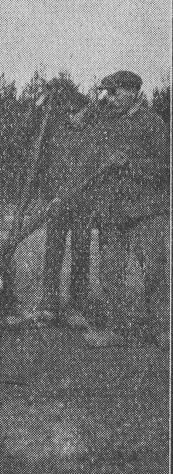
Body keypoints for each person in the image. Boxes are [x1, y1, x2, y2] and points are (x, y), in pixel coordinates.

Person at [83, 70, 170, 347]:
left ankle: (162, 329)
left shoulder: (152, 123)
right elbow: (96, 165)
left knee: (154, 269)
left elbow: (165, 169)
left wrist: (129, 163)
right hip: (113, 210)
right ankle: (116, 329)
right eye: (107, 92)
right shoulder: (107, 123)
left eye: (116, 92)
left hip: (146, 210)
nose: (110, 98)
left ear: (133, 92)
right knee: (109, 271)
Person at [34, 82, 96, 329]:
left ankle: (76, 307)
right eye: (76, 112)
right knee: (53, 252)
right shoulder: (54, 132)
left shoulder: (92, 134)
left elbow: (88, 170)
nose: (79, 116)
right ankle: (49, 304)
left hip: (81, 204)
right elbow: (46, 166)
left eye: (82, 112)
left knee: (81, 253)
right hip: (57, 203)